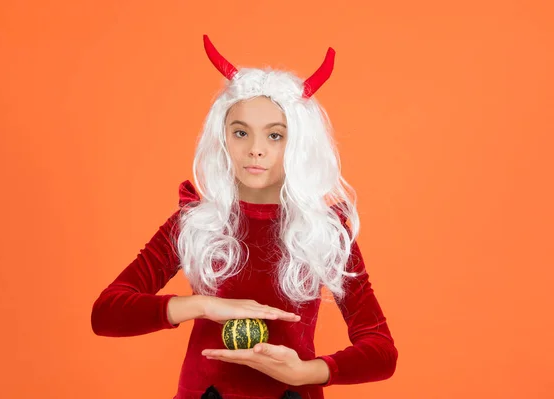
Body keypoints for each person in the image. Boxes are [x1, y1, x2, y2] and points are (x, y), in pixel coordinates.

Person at [91, 35, 398, 399]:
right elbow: (106, 313)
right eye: (241, 133)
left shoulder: (324, 232)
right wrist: (204, 305)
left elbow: (381, 350)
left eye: (275, 136)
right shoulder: (196, 223)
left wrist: (306, 372)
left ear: (299, 143)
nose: (255, 149)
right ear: (222, 138)